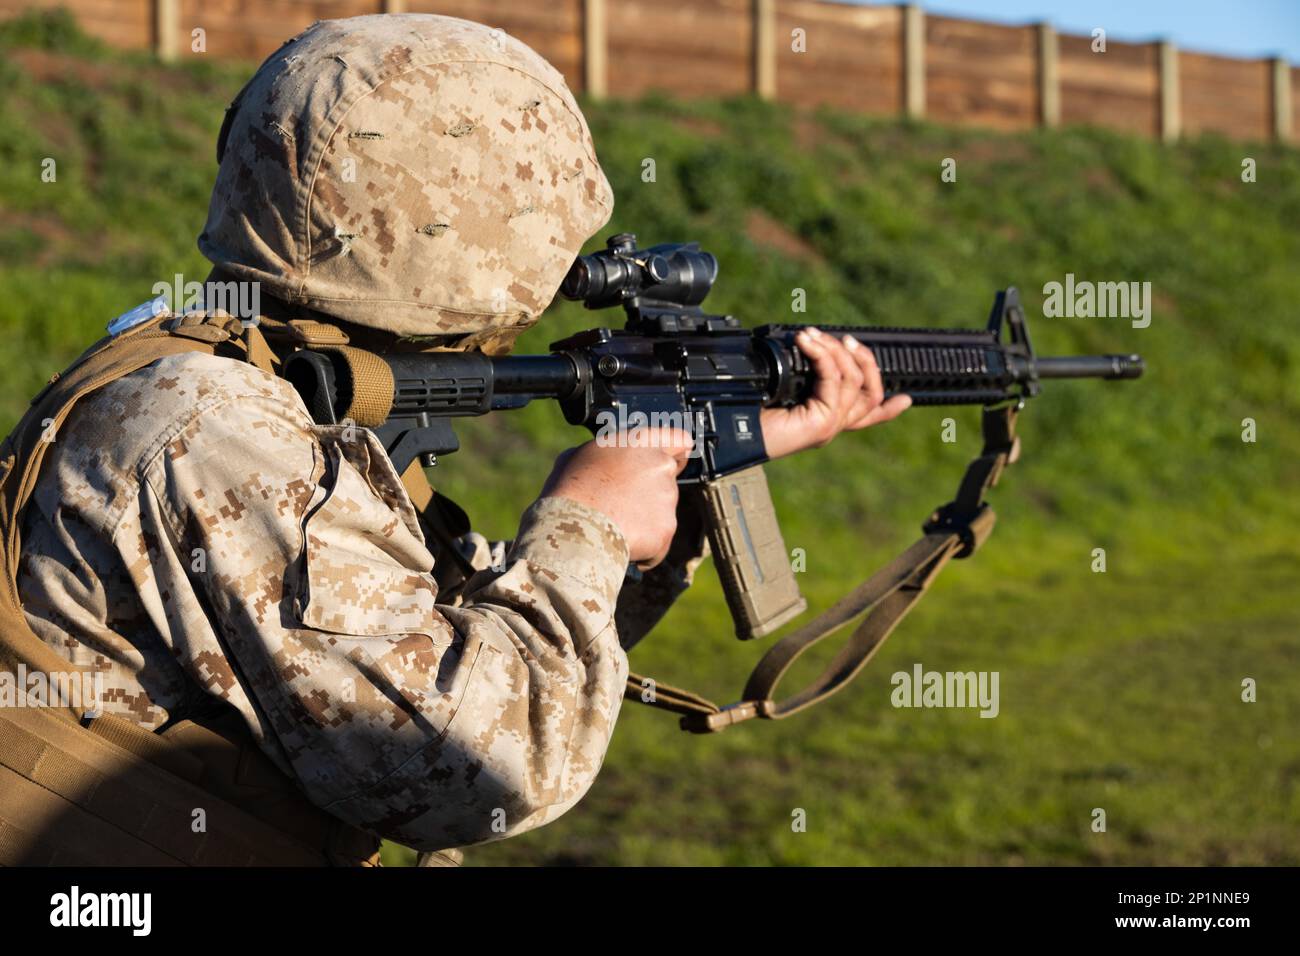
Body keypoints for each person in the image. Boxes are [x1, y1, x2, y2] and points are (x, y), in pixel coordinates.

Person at [4, 13, 908, 864]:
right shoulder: (216, 430)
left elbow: (421, 624)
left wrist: (668, 497)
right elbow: (471, 766)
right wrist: (584, 518)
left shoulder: (230, 372)